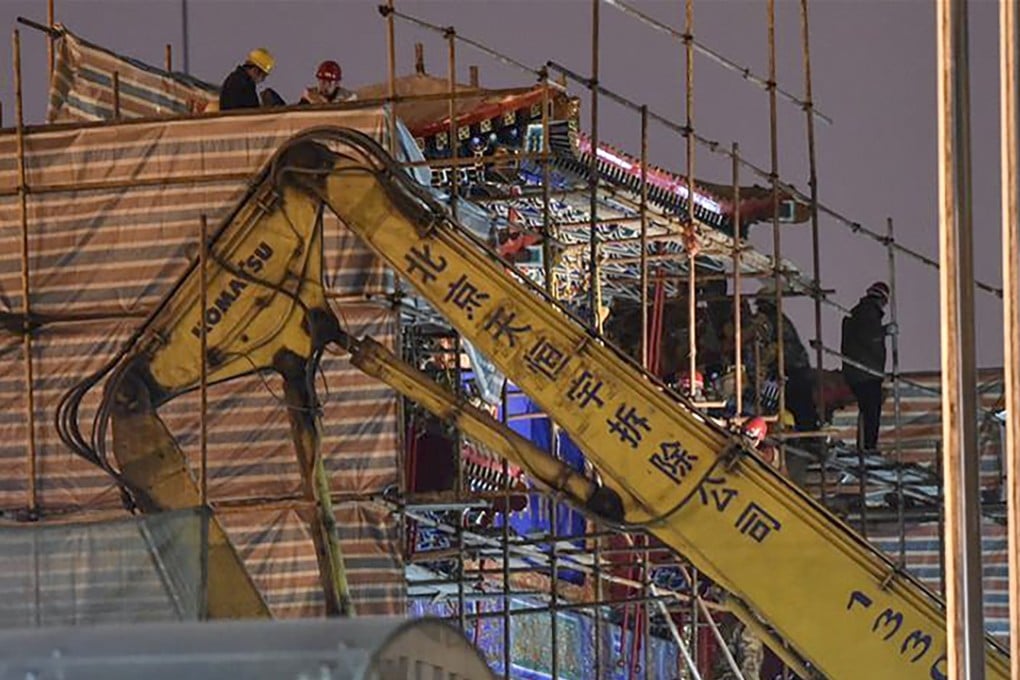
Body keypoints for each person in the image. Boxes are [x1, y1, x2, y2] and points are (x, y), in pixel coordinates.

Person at [841, 281, 891, 452]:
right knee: (871, 411)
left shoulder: (863, 311)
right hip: (865, 374)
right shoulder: (868, 312)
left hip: (860, 372)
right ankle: (868, 447)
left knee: (867, 410)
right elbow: (868, 336)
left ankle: (865, 446)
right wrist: (885, 331)